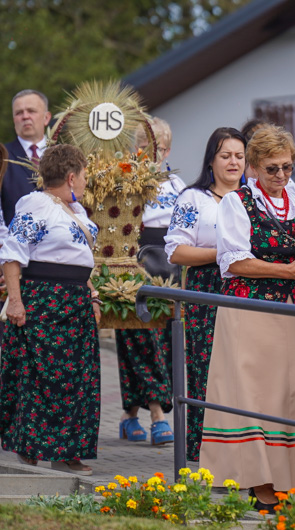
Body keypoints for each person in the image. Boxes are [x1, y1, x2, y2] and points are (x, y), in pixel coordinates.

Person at [200, 125, 295, 510]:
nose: (281, 177)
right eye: (271, 169)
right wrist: (288, 272)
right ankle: (261, 484)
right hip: (251, 312)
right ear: (254, 167)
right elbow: (234, 261)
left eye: (287, 168)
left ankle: (292, 482)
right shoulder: (236, 203)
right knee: (256, 398)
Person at [0, 144, 101, 475]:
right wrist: (15, 301)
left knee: (79, 379)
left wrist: (93, 297)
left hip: (76, 301)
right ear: (71, 177)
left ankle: (68, 451)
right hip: (45, 301)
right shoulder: (36, 205)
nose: (86, 183)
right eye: (84, 176)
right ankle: (30, 446)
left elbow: (79, 261)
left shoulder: (75, 210)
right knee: (44, 377)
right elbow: (13, 254)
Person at [165, 127, 246, 461]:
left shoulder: (254, 196)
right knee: (206, 368)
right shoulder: (193, 198)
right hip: (207, 288)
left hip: (249, 289)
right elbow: (176, 251)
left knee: (243, 369)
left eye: (239, 156)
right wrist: (225, 253)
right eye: (225, 155)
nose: (233, 162)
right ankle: (202, 448)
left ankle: (242, 445)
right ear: (211, 159)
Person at [116, 117, 185, 446]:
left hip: (170, 269)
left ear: (166, 150)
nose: (145, 153)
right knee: (140, 341)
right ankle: (157, 415)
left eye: (153, 147)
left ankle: (129, 415)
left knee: (164, 344)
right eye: (140, 147)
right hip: (135, 266)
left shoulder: (179, 186)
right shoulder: (122, 181)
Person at [2, 90, 51, 226]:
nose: (25, 116)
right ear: (14, 120)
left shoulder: (65, 156)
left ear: (46, 118)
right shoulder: (2, 157)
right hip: (13, 244)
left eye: (31, 111)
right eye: (19, 113)